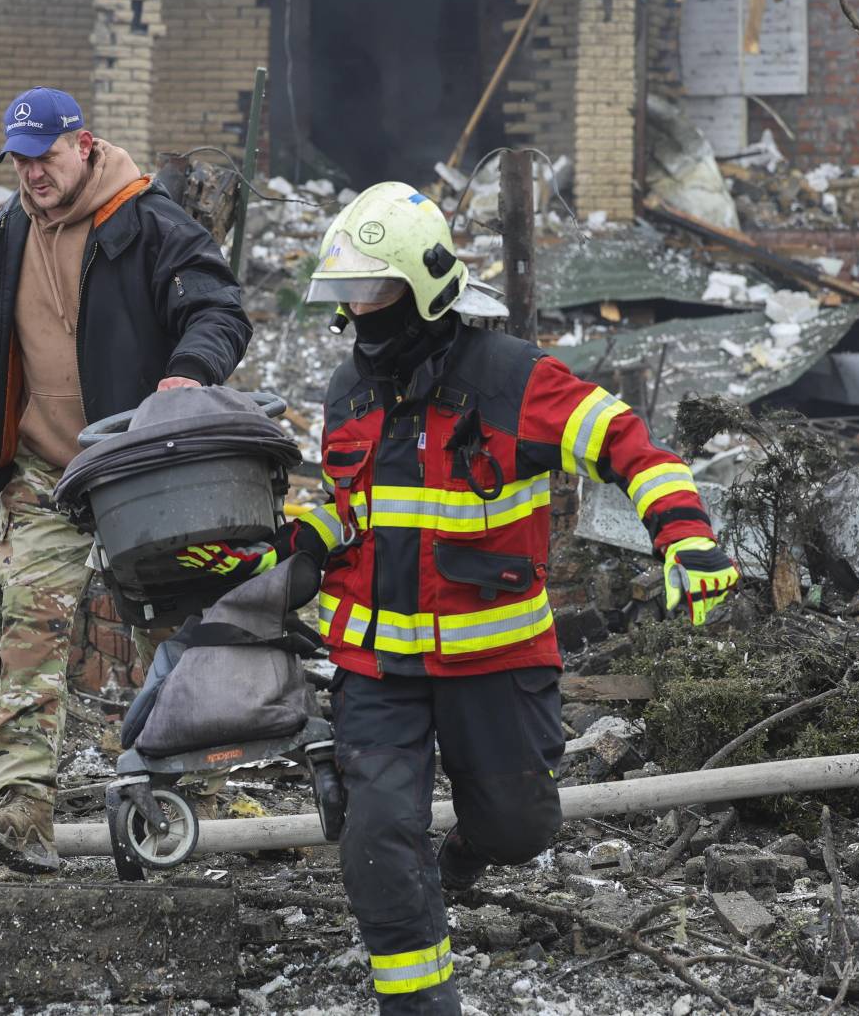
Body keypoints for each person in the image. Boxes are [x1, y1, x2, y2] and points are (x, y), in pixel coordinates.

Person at [179, 182, 738, 1014]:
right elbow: (350, 509)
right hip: (376, 669)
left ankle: (466, 853)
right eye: (348, 294)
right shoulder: (347, 392)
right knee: (376, 838)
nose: (358, 313)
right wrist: (292, 548)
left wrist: (683, 535)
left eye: (374, 292)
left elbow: (628, 445)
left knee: (520, 828)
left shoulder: (514, 380)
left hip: (494, 659)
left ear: (426, 288)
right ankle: (418, 999)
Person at [0, 86, 252, 872]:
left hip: (138, 471)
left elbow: (219, 310)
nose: (31, 175)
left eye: (44, 156)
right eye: (17, 161)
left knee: (170, 633)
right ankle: (20, 810)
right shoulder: (10, 229)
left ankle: (193, 809)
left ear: (82, 143)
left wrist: (189, 375)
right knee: (31, 624)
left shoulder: (148, 221)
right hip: (45, 468)